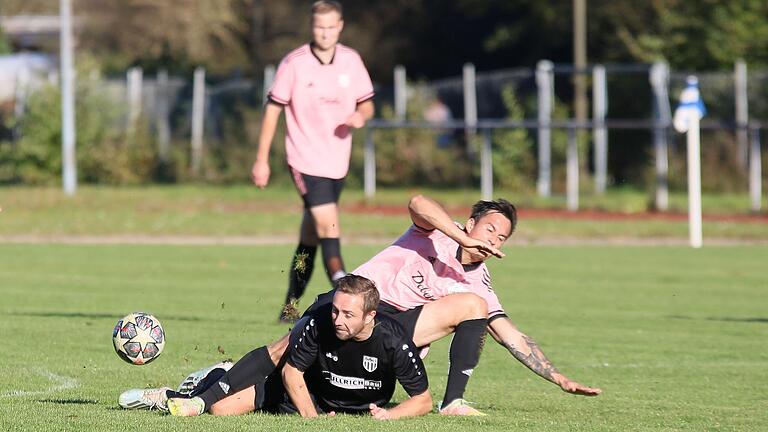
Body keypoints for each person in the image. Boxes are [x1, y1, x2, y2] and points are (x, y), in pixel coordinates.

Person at [158, 194, 602, 417]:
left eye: (501, 237)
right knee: (279, 355)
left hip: (389, 328)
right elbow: (417, 202)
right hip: (355, 301)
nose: (492, 240)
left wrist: (559, 378)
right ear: (471, 223)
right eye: (488, 229)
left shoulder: (480, 283)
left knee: (473, 306)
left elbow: (511, 335)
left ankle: (453, 403)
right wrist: (458, 235)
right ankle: (207, 391)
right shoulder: (434, 234)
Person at [119, 275, 432, 420]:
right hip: (311, 393)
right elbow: (293, 371)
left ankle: (216, 378)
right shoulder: (322, 321)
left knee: (221, 406)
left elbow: (423, 400)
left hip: (352, 405)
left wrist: (390, 417)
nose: (338, 319)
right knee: (220, 409)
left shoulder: (394, 341)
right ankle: (203, 385)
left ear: (370, 316)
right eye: (335, 310)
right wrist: (311, 417)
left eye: (348, 314)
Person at [250, 0, 375, 321]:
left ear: (341, 26)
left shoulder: (351, 61)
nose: (325, 33)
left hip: (337, 162)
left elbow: (368, 105)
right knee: (329, 225)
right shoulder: (294, 64)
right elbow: (273, 111)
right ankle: (350, 295)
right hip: (304, 159)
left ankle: (290, 306)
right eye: (320, 27)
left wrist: (360, 116)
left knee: (310, 237)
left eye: (331, 27)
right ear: (311, 27)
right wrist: (261, 159)